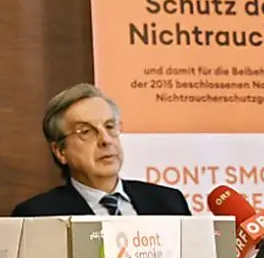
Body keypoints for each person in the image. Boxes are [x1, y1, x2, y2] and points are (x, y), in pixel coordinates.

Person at [11, 83, 190, 217]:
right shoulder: (38, 215)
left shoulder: (169, 203)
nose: (106, 140)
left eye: (110, 127)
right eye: (86, 131)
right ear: (60, 151)